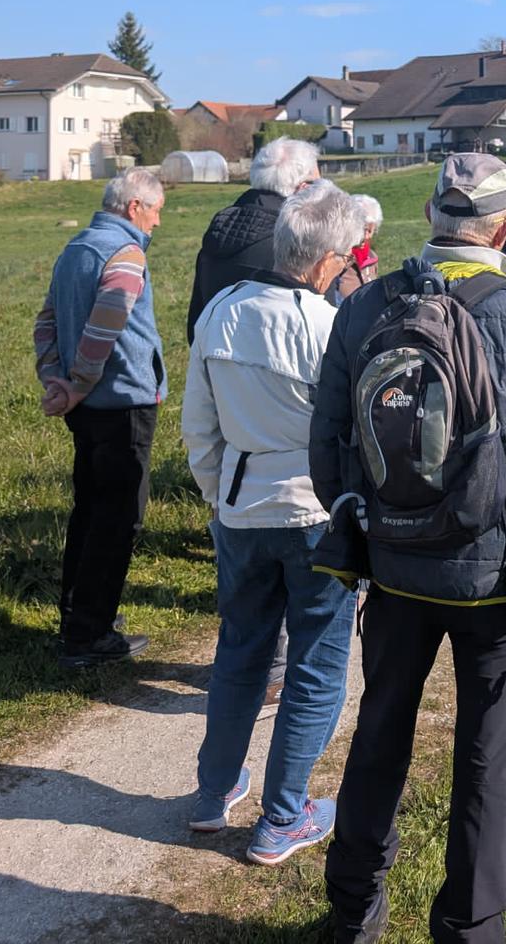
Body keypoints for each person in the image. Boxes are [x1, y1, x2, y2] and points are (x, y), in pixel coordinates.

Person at [311, 152, 506, 944]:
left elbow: (328, 444)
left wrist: (368, 527)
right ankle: (471, 929)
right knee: (486, 764)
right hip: (496, 579)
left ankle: (352, 913)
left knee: (378, 737)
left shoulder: (363, 307)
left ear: (432, 215)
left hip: (394, 569)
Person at [182, 182, 363, 862]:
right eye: (344, 260)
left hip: (242, 507)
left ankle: (213, 792)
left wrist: (220, 497)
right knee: (316, 664)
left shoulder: (220, 311)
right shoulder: (329, 325)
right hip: (315, 515)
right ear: (325, 262)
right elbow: (352, 436)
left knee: (240, 652)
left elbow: (199, 426)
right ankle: (284, 815)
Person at [186, 134, 321, 711]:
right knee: (281, 555)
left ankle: (243, 665)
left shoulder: (221, 225)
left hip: (219, 387)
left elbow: (196, 315)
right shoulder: (285, 239)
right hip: (277, 410)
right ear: (299, 185)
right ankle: (272, 672)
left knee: (238, 555)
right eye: (314, 181)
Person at [34, 167, 167, 668]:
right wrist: (78, 382)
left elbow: (46, 321)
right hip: (121, 405)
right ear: (134, 207)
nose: (157, 222)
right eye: (155, 211)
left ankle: (79, 618)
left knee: (89, 512)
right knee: (118, 520)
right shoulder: (126, 254)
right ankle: (89, 636)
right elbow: (104, 328)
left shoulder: (76, 248)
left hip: (84, 407)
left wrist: (56, 380)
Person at [186, 136, 322, 341]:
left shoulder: (220, 229)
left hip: (212, 353)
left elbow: (197, 321)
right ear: (303, 189)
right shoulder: (291, 244)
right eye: (317, 184)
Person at [331, 193, 383, 304]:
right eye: (362, 230)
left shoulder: (372, 257)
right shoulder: (336, 259)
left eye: (370, 231)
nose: (366, 236)